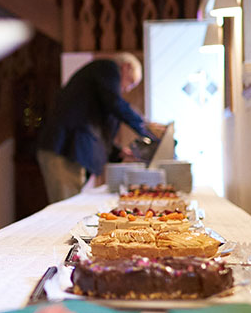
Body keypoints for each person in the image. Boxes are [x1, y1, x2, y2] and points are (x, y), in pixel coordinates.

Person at [36, 52, 166, 202]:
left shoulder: (100, 82)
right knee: (65, 208)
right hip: (64, 149)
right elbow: (115, 104)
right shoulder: (108, 68)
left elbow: (99, 128)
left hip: (69, 150)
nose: (127, 89)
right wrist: (145, 126)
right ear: (126, 67)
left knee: (71, 203)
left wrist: (119, 152)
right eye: (130, 82)